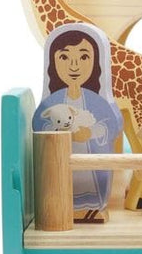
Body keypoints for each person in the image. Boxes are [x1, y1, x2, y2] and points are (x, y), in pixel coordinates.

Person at [32, 23, 123, 223]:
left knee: (90, 182)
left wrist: (91, 133)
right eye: (64, 58)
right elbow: (40, 124)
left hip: (91, 161)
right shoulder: (52, 101)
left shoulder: (97, 101)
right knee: (61, 182)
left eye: (83, 57)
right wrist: (58, 132)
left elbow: (111, 124)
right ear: (53, 62)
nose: (74, 66)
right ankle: (62, 207)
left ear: (96, 62)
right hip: (61, 161)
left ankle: (91, 208)